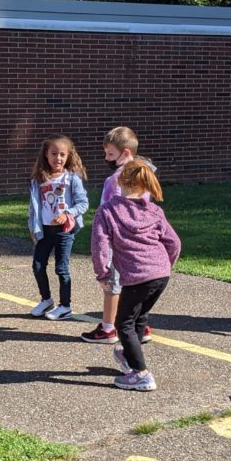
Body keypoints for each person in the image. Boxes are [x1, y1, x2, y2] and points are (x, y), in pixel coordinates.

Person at [92, 159, 181, 390]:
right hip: (160, 274)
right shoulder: (154, 210)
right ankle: (127, 353)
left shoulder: (107, 211)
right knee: (140, 316)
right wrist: (165, 266)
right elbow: (174, 243)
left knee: (124, 323)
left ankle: (141, 374)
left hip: (137, 275)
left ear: (120, 181)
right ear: (144, 185)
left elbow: (100, 247)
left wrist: (103, 274)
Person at [82, 127, 153, 345]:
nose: (106, 158)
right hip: (138, 240)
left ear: (126, 153)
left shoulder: (115, 181)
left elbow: (108, 211)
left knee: (112, 285)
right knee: (133, 284)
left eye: (111, 154)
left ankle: (107, 328)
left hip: (116, 239)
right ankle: (141, 324)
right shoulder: (145, 174)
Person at [28, 134, 89, 321]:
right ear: (46, 154)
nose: (58, 158)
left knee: (61, 268)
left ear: (68, 156)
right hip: (45, 230)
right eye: (54, 154)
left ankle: (65, 306)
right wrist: (33, 228)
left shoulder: (72, 178)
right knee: (38, 266)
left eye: (62, 154)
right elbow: (33, 208)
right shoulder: (39, 179)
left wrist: (67, 213)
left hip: (64, 230)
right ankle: (46, 300)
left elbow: (83, 203)